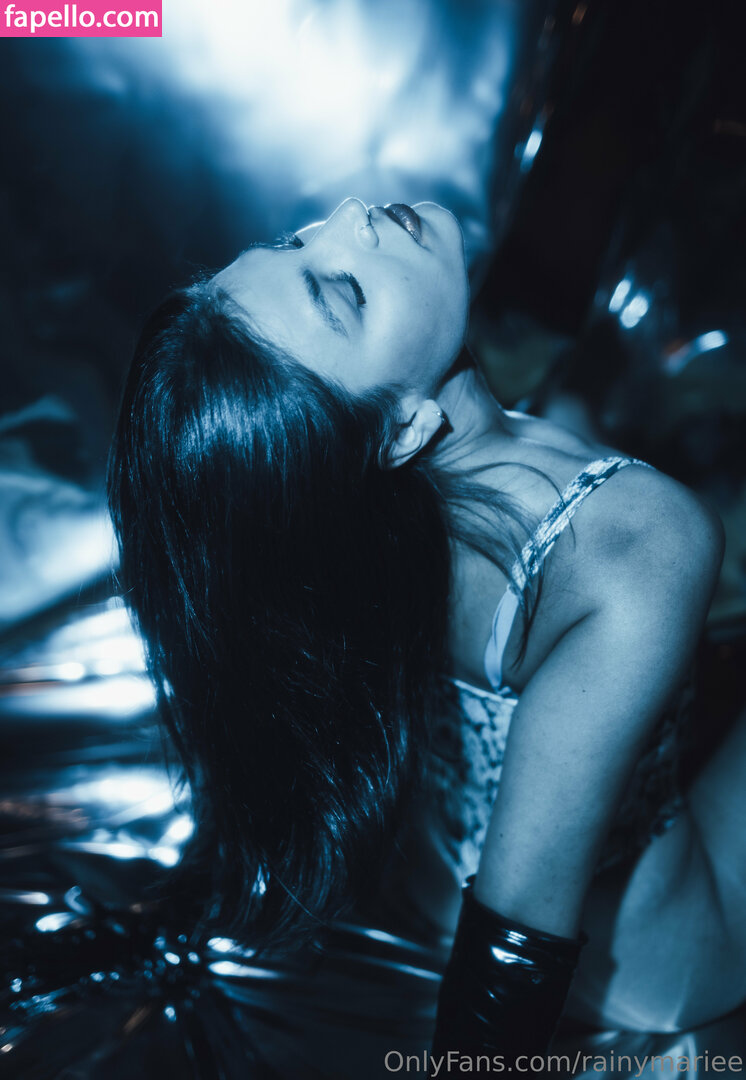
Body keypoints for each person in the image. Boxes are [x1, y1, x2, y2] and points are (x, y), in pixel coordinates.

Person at [107, 197, 745, 1072]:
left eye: (296, 240)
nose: (351, 215)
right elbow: (520, 920)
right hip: (646, 962)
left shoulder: (346, 529)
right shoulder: (645, 540)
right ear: (405, 429)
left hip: (436, 888)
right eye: (344, 293)